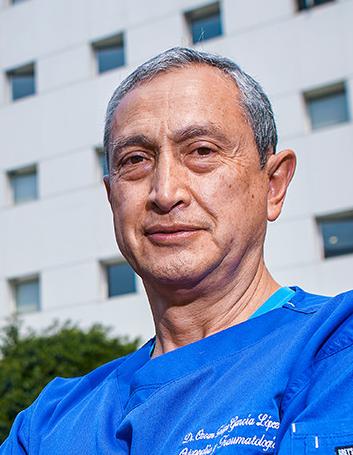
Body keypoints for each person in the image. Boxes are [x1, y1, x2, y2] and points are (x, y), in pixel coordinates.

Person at [1, 47, 353, 455]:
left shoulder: (335, 350)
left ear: (273, 185)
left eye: (202, 151)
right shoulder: (47, 422)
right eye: (135, 160)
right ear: (112, 196)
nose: (165, 192)